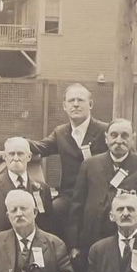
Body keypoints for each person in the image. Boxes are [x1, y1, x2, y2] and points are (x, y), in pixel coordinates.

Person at [69, 118, 137, 255]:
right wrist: (74, 245)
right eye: (114, 135)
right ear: (106, 138)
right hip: (95, 240)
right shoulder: (89, 165)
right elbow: (77, 206)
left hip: (136, 243)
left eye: (124, 135)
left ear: (133, 139)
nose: (118, 140)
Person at [31, 82, 108, 229]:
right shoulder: (61, 132)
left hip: (99, 195)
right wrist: (18, 143)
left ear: (90, 104)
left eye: (80, 100)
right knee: (50, 213)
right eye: (71, 101)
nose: (76, 104)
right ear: (64, 106)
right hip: (69, 197)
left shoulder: (105, 131)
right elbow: (41, 147)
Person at [0, 135, 53, 247]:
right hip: (0, 251)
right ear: (4, 157)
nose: (15, 158)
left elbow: (47, 226)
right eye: (11, 154)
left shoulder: (42, 188)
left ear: (29, 156)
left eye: (20, 154)